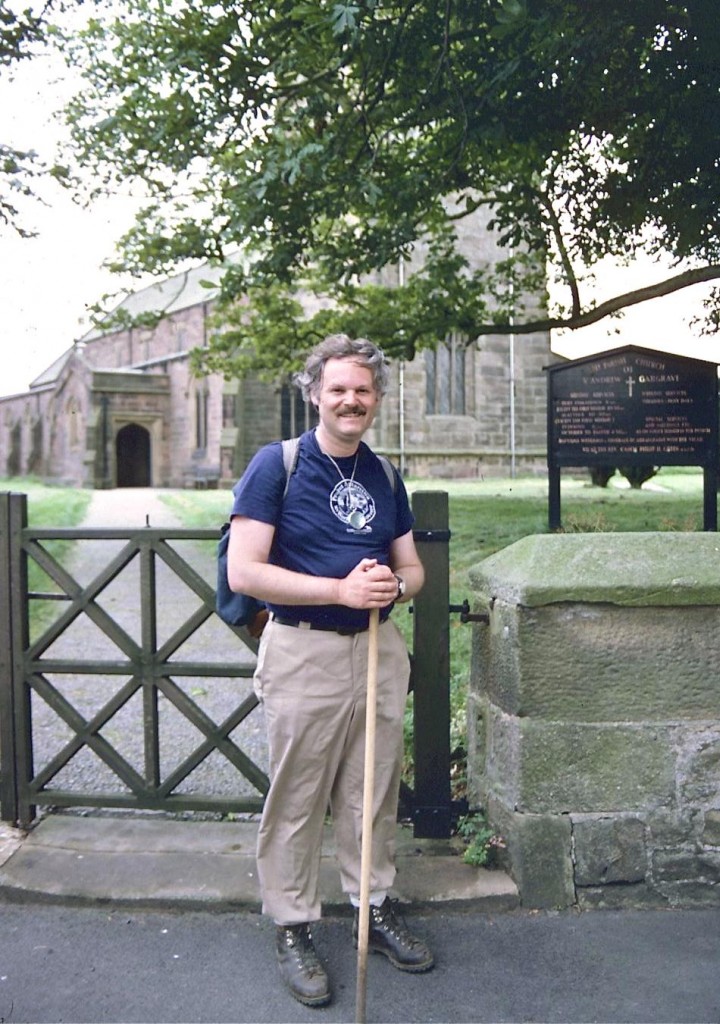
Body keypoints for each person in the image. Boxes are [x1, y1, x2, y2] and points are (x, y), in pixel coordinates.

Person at [226, 333, 434, 1006]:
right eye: (338, 388)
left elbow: (413, 570)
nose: (351, 400)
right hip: (303, 648)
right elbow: (246, 570)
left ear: (376, 400)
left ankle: (371, 905)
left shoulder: (382, 473)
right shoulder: (277, 465)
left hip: (375, 650)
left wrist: (389, 589)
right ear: (314, 393)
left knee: (370, 792)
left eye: (363, 390)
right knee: (297, 796)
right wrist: (338, 591)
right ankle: (291, 924)